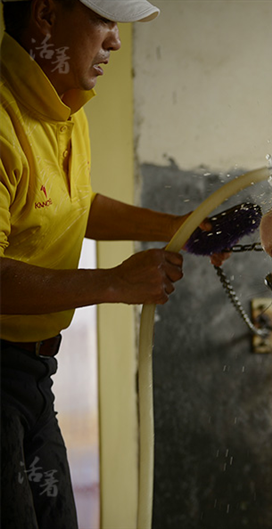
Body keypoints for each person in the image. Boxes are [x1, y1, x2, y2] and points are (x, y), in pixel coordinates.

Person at [0, 0, 221, 525]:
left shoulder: (63, 108)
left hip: (31, 374)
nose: (116, 41)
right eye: (104, 20)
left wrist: (177, 228)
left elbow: (73, 205)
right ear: (46, 15)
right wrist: (112, 283)